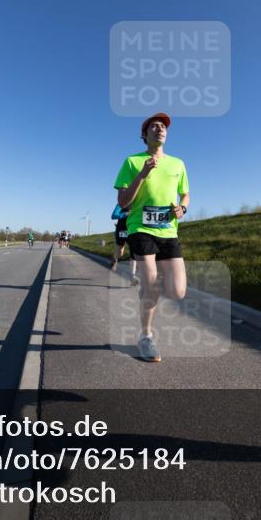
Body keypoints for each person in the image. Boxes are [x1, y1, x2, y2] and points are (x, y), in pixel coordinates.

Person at [114, 112, 190, 362]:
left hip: (168, 230)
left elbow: (185, 194)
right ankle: (146, 336)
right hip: (141, 228)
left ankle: (148, 289)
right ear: (144, 135)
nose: (160, 129)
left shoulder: (178, 164)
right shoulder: (132, 161)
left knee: (178, 292)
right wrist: (142, 174)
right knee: (151, 281)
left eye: (163, 126)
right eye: (154, 126)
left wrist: (183, 208)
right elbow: (123, 202)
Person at [109, 204, 140, 286]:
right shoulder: (121, 203)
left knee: (133, 254)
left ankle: (132, 278)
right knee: (120, 253)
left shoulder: (138, 202)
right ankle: (114, 258)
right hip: (121, 229)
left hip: (132, 229)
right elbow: (114, 216)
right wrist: (126, 214)